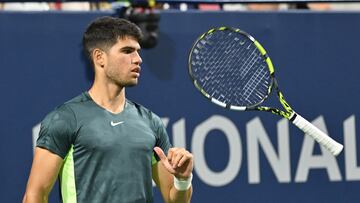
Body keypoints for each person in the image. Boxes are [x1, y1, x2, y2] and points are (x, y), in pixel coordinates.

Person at [22, 16, 193, 203]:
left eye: (137, 51)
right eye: (127, 51)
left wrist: (182, 180)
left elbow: (174, 199)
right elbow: (35, 195)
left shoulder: (151, 122)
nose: (138, 59)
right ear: (99, 57)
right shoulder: (65, 119)